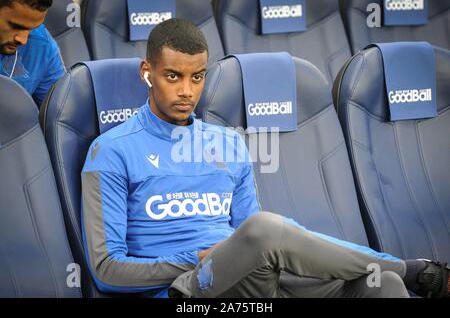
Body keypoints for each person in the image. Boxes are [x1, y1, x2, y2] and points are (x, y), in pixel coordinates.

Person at [81, 18, 450, 298]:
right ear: (148, 73)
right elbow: (106, 270)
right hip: (187, 290)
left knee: (380, 286)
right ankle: (414, 270)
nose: (186, 91)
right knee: (264, 229)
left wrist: (234, 253)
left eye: (197, 78)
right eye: (173, 76)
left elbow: (255, 242)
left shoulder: (228, 143)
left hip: (254, 283)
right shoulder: (111, 151)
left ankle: (397, 272)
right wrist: (199, 258)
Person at [0, 0, 65, 108]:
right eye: (15, 26)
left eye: (31, 29)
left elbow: (60, 114)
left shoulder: (44, 47)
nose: (23, 40)